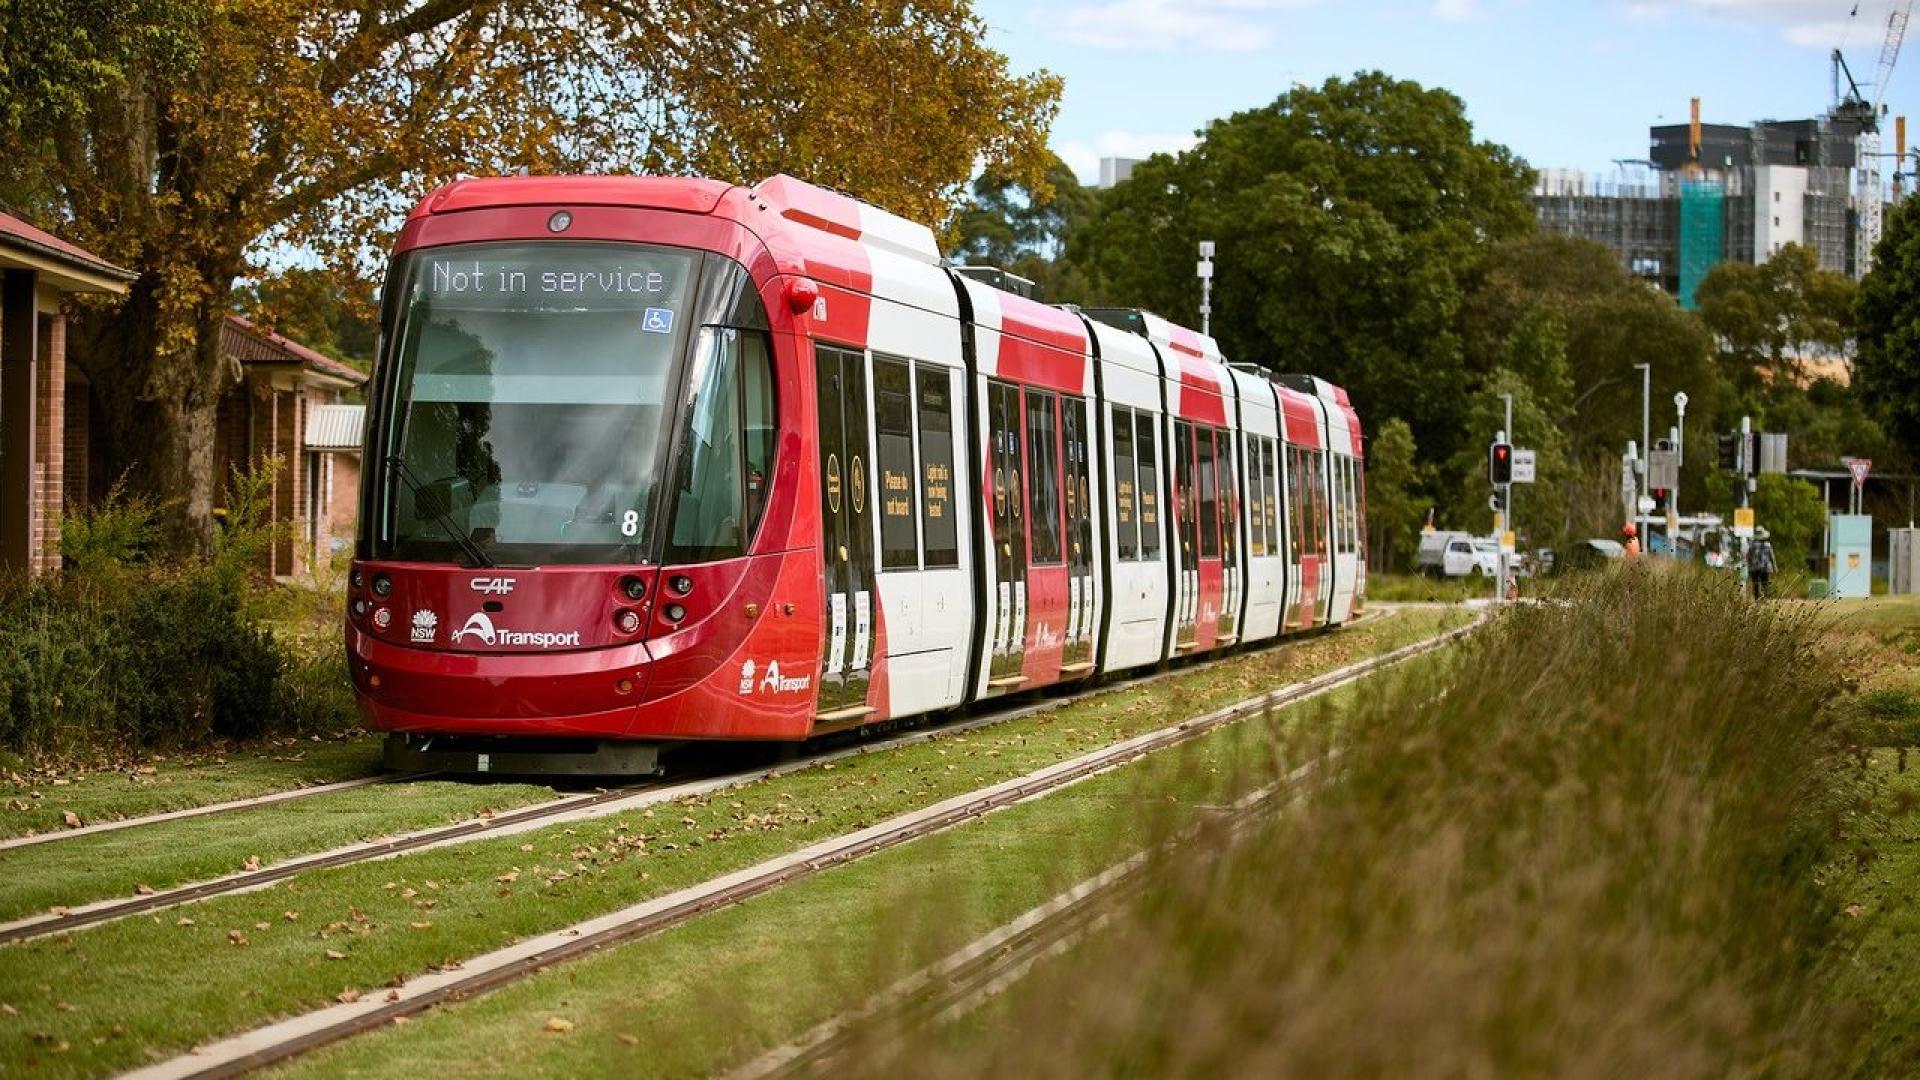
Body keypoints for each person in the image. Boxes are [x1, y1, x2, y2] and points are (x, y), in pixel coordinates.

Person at [1749, 526, 1776, 599]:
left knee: (1755, 584)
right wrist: (1775, 567)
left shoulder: (1751, 544)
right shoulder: (1768, 545)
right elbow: (1772, 557)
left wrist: (1750, 564)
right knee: (1765, 583)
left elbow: (1749, 556)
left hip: (1755, 567)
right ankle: (1766, 598)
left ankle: (1756, 598)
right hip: (1766, 567)